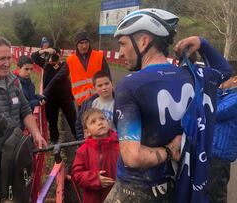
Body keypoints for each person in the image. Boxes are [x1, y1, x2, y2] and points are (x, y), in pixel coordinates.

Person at [104, 8, 232, 203]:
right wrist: (202, 43)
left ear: (143, 41)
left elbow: (132, 157)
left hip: (136, 189)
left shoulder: (129, 86)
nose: (120, 52)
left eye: (122, 43)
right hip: (179, 187)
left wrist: (169, 150)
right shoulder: (194, 77)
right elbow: (224, 71)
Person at [72, 108, 119, 203]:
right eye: (93, 122)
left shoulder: (121, 144)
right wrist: (94, 179)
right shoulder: (83, 151)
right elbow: (77, 175)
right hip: (94, 199)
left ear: (108, 124)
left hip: (120, 196)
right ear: (87, 132)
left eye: (102, 119)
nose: (100, 123)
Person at [32, 47, 77, 144]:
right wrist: (45, 51)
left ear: (60, 56)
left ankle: (79, 140)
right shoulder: (45, 64)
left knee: (73, 120)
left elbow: (57, 78)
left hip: (65, 98)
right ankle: (54, 143)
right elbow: (34, 56)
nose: (55, 58)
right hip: (51, 100)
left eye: (56, 55)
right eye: (53, 56)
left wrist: (45, 92)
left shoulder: (65, 65)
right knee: (52, 123)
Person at [208, 61, 237, 203]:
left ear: (235, 79)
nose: (220, 79)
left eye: (223, 76)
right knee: (208, 193)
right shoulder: (228, 95)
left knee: (216, 196)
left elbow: (215, 113)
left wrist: (217, 88)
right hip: (214, 152)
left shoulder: (235, 98)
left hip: (220, 156)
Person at [67, 29, 111, 107]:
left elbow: (108, 77)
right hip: (82, 103)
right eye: (81, 43)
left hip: (99, 100)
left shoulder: (99, 56)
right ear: (76, 45)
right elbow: (61, 77)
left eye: (86, 42)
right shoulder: (70, 60)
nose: (84, 46)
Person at [75, 71, 115, 140]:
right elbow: (79, 124)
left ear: (112, 84)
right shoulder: (88, 104)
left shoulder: (121, 104)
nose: (104, 87)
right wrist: (82, 142)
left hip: (114, 145)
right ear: (94, 88)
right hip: (94, 146)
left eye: (106, 83)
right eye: (100, 85)